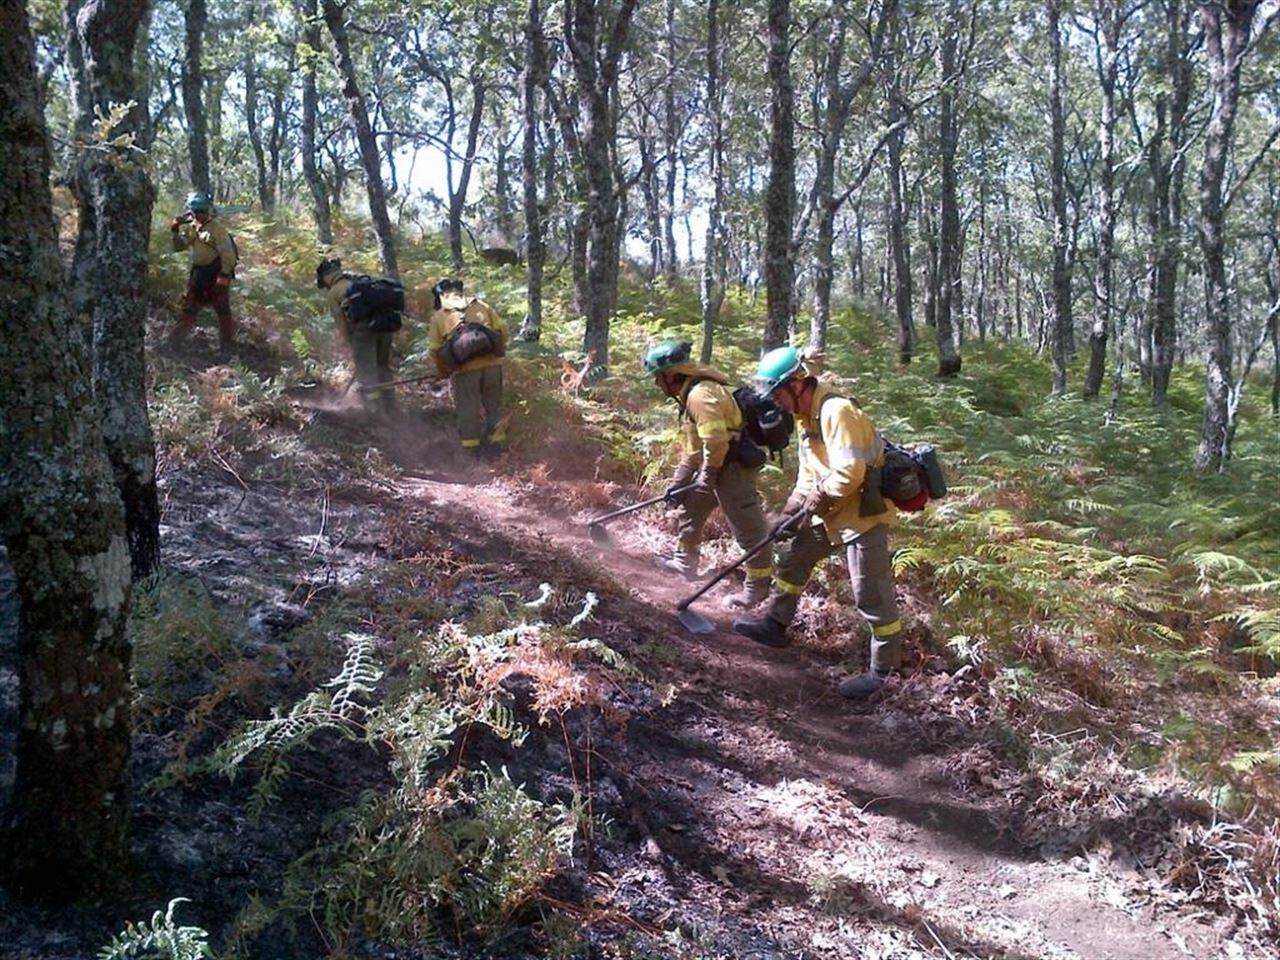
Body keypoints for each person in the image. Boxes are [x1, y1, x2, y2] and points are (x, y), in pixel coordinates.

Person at [733, 346, 904, 700]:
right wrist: (791, 510)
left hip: (861, 515)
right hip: (829, 512)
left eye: (777, 393)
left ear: (797, 384)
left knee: (871, 594)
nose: (775, 402)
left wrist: (815, 501)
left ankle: (884, 674)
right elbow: (809, 475)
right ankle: (775, 624)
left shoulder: (836, 411)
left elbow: (850, 473)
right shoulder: (804, 418)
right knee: (794, 561)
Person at [643, 339, 773, 610]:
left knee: (748, 530)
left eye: (658, 378)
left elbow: (715, 440)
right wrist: (679, 482)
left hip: (733, 468)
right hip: (717, 465)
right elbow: (694, 449)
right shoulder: (690, 395)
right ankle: (684, 561)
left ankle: (757, 590)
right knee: (692, 506)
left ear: (670, 375)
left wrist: (708, 474)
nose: (656, 384)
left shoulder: (700, 395)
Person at [428, 278, 507, 454]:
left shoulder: (440, 315)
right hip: (493, 367)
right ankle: (498, 449)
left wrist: (443, 372)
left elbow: (435, 349)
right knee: (494, 407)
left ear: (440, 296)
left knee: (468, 412)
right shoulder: (482, 305)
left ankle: (471, 454)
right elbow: (502, 330)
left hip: (465, 372)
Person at [315, 258, 396, 416]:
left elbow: (342, 323)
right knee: (382, 367)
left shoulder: (334, 292)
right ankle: (391, 407)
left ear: (325, 278)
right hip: (384, 327)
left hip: (363, 330)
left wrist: (351, 343)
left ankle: (375, 413)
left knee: (367, 372)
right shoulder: (359, 282)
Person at [169, 191, 238, 353]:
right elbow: (179, 247)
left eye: (201, 211)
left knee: (222, 311)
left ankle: (227, 348)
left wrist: (224, 274)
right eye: (195, 212)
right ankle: (173, 344)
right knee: (189, 309)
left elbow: (228, 254)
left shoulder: (217, 229)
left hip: (216, 275)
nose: (198, 215)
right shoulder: (192, 228)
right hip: (199, 275)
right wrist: (175, 230)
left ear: (207, 211)